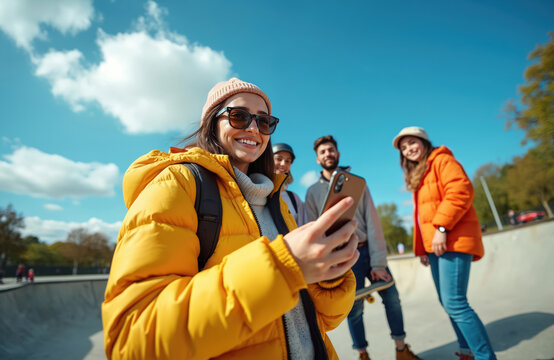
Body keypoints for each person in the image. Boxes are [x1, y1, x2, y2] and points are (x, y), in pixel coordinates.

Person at [102, 78, 359, 360]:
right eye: (239, 116)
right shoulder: (177, 183)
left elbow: (323, 322)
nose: (253, 128)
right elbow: (131, 340)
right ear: (213, 122)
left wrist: (329, 277)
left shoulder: (277, 199)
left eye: (264, 122)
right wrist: (283, 266)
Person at [305, 135, 421, 360]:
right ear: (318, 160)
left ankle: (401, 349)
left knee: (392, 298)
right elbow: (312, 230)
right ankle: (363, 354)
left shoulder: (358, 183)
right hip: (341, 256)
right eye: (323, 152)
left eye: (331, 150)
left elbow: (373, 221)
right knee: (354, 309)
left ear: (337, 154)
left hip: (367, 249)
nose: (328, 154)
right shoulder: (312, 193)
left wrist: (378, 262)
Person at [393, 126, 496, 360]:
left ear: (424, 141)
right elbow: (422, 216)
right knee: (448, 303)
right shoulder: (420, 173)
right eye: (404, 147)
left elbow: (461, 190)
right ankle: (467, 353)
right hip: (436, 247)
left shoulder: (442, 160)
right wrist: (422, 248)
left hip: (453, 240)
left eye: (412, 143)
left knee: (456, 304)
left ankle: (485, 357)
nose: (409, 149)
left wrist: (441, 227)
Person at [272, 143, 308, 226]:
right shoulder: (259, 192)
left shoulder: (294, 198)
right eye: (279, 159)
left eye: (288, 161)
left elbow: (302, 228)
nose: (283, 164)